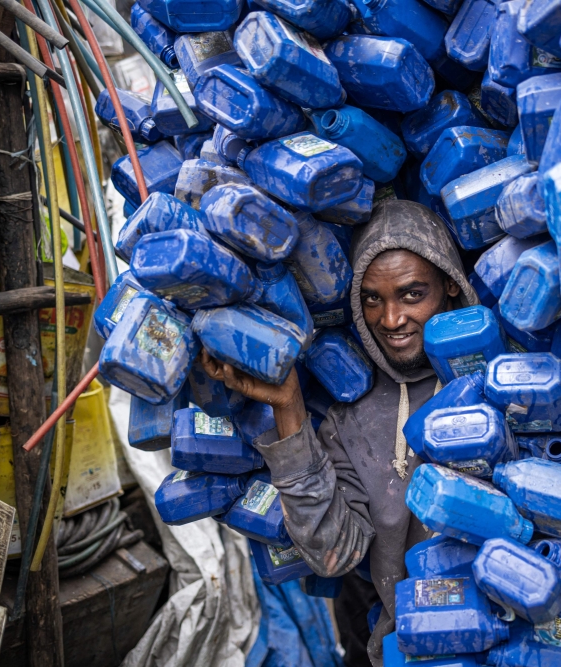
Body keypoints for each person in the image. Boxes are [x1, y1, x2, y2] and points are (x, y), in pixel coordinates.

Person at [202, 199, 481, 666]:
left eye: (412, 294)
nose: (391, 320)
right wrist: (288, 405)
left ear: (450, 285)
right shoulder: (349, 419)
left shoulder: (496, 380)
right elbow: (336, 552)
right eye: (373, 298)